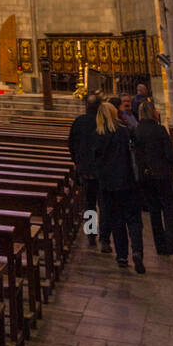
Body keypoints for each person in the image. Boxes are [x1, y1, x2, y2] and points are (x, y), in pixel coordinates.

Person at [93, 99, 145, 273]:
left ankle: (93, 235)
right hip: (127, 182)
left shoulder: (97, 133)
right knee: (132, 219)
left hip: (105, 183)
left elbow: (91, 156)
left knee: (94, 208)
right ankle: (136, 250)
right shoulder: (124, 131)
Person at [133, 99, 173, 260]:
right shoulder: (160, 130)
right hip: (163, 175)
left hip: (145, 177)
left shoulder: (136, 131)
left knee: (154, 211)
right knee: (169, 210)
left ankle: (160, 246)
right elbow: (170, 154)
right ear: (152, 112)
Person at [69, 97, 101, 248]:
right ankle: (106, 236)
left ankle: (91, 234)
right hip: (102, 169)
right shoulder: (103, 122)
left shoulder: (79, 122)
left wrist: (77, 161)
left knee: (89, 203)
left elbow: (71, 144)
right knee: (105, 204)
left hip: (85, 169)